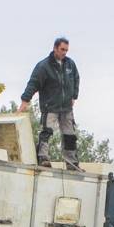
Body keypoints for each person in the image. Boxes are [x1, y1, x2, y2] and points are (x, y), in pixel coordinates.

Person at [19, 37, 82, 170]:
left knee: (69, 135)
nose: (64, 52)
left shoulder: (70, 64)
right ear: (55, 48)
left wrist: (74, 96)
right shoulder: (44, 66)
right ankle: (43, 158)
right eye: (62, 49)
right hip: (50, 106)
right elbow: (33, 83)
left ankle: (72, 163)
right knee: (47, 132)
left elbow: (76, 78)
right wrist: (25, 100)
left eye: (66, 50)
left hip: (66, 107)